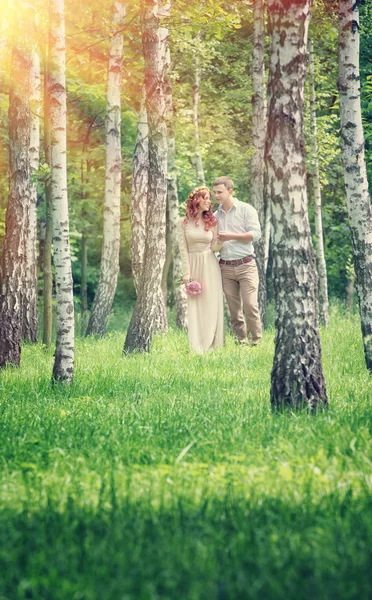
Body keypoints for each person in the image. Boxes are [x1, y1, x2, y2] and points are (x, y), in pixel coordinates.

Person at [213, 176, 262, 346]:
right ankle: (241, 342)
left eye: (220, 192)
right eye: (214, 192)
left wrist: (230, 236)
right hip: (225, 267)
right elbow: (212, 242)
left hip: (246, 265)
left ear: (230, 191)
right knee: (234, 310)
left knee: (250, 305)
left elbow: (255, 235)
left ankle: (255, 342)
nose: (216, 195)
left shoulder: (246, 210)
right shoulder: (214, 216)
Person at [180, 186, 224, 353]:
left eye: (209, 198)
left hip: (210, 264)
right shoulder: (183, 223)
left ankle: (213, 343)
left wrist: (220, 242)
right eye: (204, 197)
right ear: (195, 200)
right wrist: (186, 273)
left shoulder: (212, 222)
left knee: (211, 302)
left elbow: (214, 247)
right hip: (193, 263)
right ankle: (196, 345)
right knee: (196, 305)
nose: (208, 201)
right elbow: (182, 249)